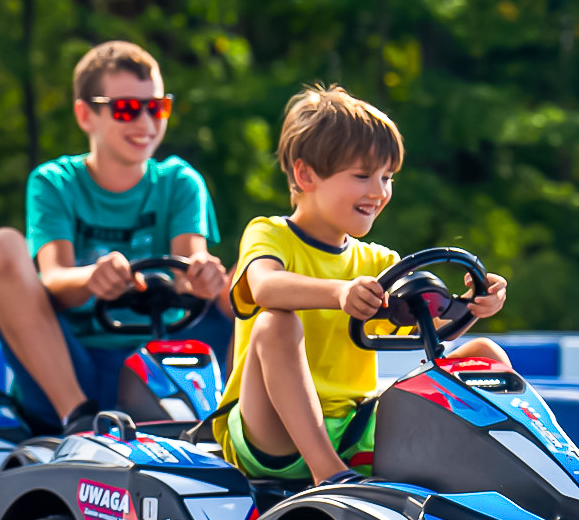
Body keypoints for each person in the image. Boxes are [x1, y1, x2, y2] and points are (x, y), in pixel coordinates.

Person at [214, 83, 508, 486]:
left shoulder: (381, 262)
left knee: (485, 354)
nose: (379, 191)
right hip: (271, 433)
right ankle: (328, 473)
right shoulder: (269, 234)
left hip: (354, 426)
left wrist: (473, 305)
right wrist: (339, 293)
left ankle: (511, 478)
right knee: (275, 322)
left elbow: (433, 328)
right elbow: (264, 287)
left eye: (387, 177)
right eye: (362, 176)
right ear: (305, 174)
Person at [0, 40, 230, 431]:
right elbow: (54, 278)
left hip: (165, 368)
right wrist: (92, 278)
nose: (145, 123)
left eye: (156, 107)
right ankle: (77, 419)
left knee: (259, 275)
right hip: (75, 369)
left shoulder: (180, 181)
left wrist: (204, 277)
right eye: (126, 109)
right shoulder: (55, 182)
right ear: (85, 115)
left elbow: (188, 270)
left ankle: (251, 422)